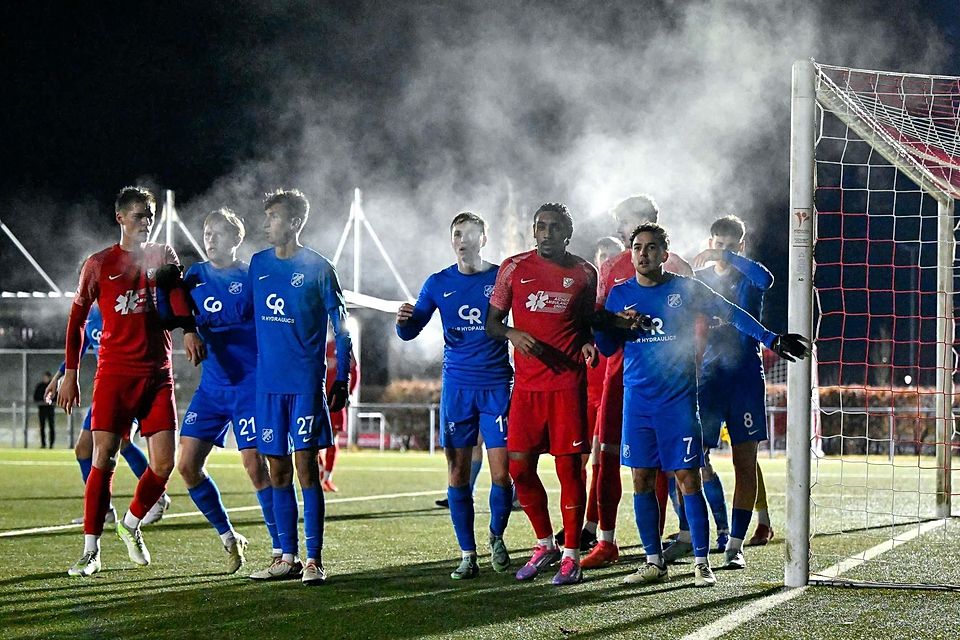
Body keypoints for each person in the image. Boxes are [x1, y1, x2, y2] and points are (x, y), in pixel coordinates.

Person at [594, 221, 809, 587]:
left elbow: (731, 312)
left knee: (688, 477)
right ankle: (653, 561)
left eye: (651, 247)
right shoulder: (619, 294)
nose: (643, 254)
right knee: (641, 478)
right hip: (638, 402)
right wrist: (614, 324)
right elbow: (606, 347)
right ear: (631, 254)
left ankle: (701, 562)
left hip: (678, 402)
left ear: (665, 254)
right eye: (638, 248)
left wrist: (770, 338)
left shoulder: (686, 288)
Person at [60, 186, 204, 577]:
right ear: (120, 218)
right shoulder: (98, 264)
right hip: (114, 375)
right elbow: (76, 322)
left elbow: (177, 299)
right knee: (103, 458)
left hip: (158, 374)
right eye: (139, 216)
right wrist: (70, 374)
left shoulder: (163, 254)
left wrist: (189, 330)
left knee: (164, 463)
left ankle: (130, 523)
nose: (146, 223)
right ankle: (91, 551)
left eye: (150, 217)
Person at [159, 208, 280, 574]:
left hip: (250, 386)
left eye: (218, 233)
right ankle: (229, 537)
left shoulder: (251, 276)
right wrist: (183, 322)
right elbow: (171, 313)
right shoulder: (194, 277)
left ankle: (281, 549)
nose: (210, 239)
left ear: (235, 239)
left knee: (255, 466)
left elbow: (275, 322)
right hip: (212, 388)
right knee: (187, 466)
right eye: (207, 233)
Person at [396, 212, 515, 580]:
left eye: (470, 234)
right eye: (457, 234)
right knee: (457, 473)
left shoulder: (501, 277)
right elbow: (411, 330)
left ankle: (496, 535)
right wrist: (403, 321)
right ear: (452, 241)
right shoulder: (437, 282)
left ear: (484, 239)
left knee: (503, 474)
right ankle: (467, 554)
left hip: (496, 384)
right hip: (458, 388)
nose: (463, 240)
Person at [486, 202, 599, 586]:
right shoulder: (513, 268)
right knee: (518, 467)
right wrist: (511, 333)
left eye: (554, 227)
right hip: (527, 387)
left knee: (569, 470)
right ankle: (545, 543)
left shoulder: (584, 273)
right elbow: (492, 323)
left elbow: (586, 322)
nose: (546, 233)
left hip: (567, 385)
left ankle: (571, 556)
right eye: (541, 226)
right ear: (533, 231)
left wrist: (587, 341)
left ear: (567, 233)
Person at [581, 195, 692, 570]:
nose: (619, 229)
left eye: (624, 221)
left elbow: (698, 325)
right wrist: (598, 333)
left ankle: (661, 545)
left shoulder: (679, 270)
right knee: (605, 455)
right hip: (618, 377)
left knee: (664, 466)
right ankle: (605, 540)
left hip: (669, 383)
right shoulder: (611, 268)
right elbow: (598, 318)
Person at [247, 189, 352, 585]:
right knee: (276, 469)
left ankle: (313, 559)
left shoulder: (319, 268)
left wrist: (342, 375)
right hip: (268, 387)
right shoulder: (258, 264)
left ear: (294, 222)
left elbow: (342, 327)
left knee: (306, 467)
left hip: (305, 384)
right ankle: (286, 557)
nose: (267, 224)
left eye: (273, 217)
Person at [687, 214, 775, 568]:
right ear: (710, 242)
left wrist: (728, 257)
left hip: (745, 378)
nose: (722, 250)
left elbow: (766, 279)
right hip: (709, 379)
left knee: (745, 461)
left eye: (730, 245)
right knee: (692, 457)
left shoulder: (748, 277)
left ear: (741, 245)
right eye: (717, 244)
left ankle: (735, 545)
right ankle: (697, 535)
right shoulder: (700, 280)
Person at [45, 302, 169, 526]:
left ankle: (156, 497)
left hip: (130, 383)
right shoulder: (91, 315)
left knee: (122, 440)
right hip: (107, 390)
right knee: (84, 449)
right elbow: (78, 347)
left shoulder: (124, 307)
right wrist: (58, 377)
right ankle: (103, 510)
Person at [319, 339, 359, 493]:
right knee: (313, 439)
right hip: (319, 399)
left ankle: (327, 477)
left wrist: (350, 392)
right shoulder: (322, 345)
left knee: (333, 439)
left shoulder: (345, 346)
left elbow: (355, 370)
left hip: (336, 400)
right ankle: (320, 472)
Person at [34, 372, 56, 448]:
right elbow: (36, 397)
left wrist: (51, 402)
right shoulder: (40, 386)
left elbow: (55, 397)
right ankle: (43, 444)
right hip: (42, 409)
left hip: (50, 409)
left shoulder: (52, 387)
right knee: (42, 427)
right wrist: (41, 402)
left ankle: (51, 444)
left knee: (51, 426)